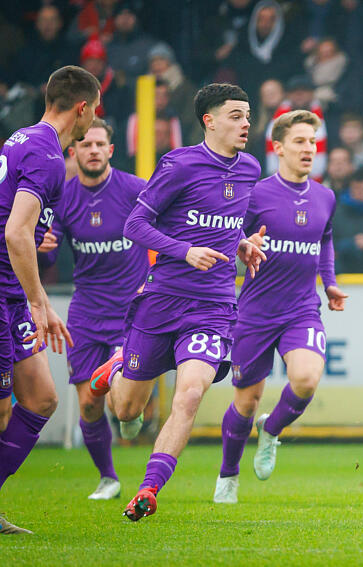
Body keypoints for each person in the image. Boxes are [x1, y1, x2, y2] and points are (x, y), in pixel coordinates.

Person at [87, 83, 265, 522]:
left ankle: (148, 489)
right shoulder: (179, 164)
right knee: (127, 411)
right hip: (163, 299)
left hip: (214, 307)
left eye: (248, 116)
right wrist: (183, 251)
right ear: (209, 120)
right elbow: (134, 225)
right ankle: (117, 367)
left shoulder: (250, 168)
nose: (246, 124)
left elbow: (223, 222)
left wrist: (241, 242)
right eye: (236, 116)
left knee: (190, 394)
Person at [214, 110, 346, 504]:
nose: (309, 149)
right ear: (279, 148)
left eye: (313, 142)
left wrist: (330, 282)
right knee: (245, 402)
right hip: (255, 313)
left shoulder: (325, 197)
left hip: (302, 310)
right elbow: (227, 238)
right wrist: (244, 244)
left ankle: (271, 429)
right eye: (300, 141)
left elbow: (325, 240)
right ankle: (228, 475)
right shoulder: (255, 195)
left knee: (306, 379)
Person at [0, 65, 101, 534]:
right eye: (94, 110)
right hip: (6, 293)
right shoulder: (46, 154)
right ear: (82, 108)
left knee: (41, 398)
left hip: (11, 295)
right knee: (3, 410)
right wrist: (39, 301)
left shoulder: (22, 137)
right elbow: (14, 231)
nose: (93, 119)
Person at [37, 118, 147, 500]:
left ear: (111, 150)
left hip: (132, 310)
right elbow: (49, 247)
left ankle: (131, 409)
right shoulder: (63, 197)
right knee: (88, 404)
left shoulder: (135, 189)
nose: (94, 150)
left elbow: (169, 225)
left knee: (121, 404)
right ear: (74, 152)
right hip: (86, 310)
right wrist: (43, 245)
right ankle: (108, 478)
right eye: (86, 145)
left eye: (101, 144)